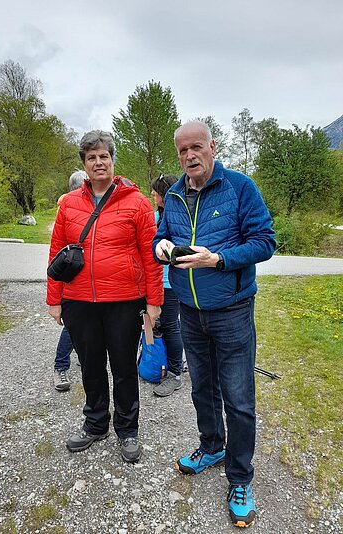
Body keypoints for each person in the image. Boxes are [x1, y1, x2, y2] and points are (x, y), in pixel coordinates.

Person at [153, 121, 276, 527]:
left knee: (239, 400)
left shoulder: (240, 187)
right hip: (189, 311)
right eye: (182, 151)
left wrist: (217, 259)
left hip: (233, 311)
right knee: (202, 389)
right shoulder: (172, 194)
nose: (189, 156)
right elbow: (161, 236)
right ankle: (211, 447)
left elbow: (265, 241)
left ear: (212, 147)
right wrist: (162, 247)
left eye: (196, 148)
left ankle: (240, 478)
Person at [47, 130, 163, 463]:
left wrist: (154, 302)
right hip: (79, 301)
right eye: (91, 157)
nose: (99, 162)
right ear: (84, 164)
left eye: (104, 156)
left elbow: (150, 255)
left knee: (125, 367)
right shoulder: (69, 204)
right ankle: (95, 423)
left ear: (112, 160)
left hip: (125, 301)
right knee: (92, 367)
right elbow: (57, 254)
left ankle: (127, 430)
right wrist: (54, 298)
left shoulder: (137, 202)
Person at [53, 170, 87, 392]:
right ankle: (60, 366)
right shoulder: (68, 205)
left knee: (87, 325)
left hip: (86, 278)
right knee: (73, 325)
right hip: (72, 276)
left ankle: (84, 358)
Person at [150, 174, 184, 397]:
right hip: (153, 279)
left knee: (170, 325)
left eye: (155, 192)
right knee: (156, 324)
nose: (152, 195)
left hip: (171, 282)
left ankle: (175, 373)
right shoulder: (154, 216)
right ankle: (155, 361)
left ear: (164, 195)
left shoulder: (178, 217)